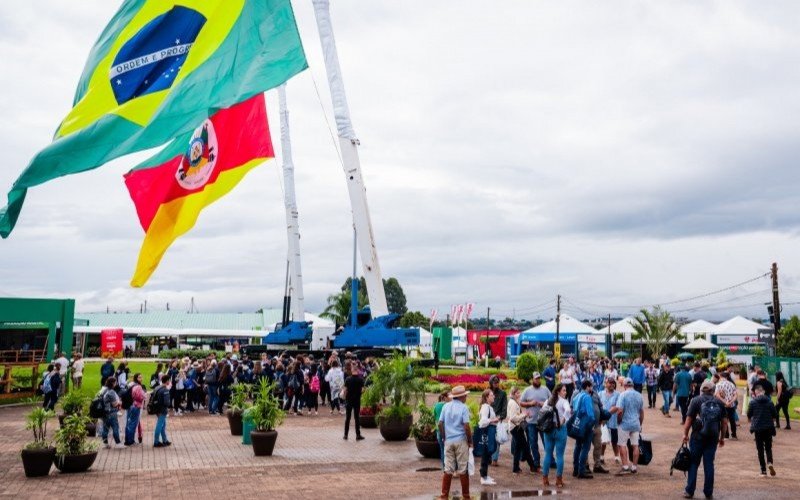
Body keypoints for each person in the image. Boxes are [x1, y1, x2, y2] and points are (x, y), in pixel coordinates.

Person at [682, 380, 727, 499]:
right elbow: (724, 422)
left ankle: (689, 491)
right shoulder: (719, 402)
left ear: (702, 389)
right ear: (713, 390)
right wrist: (722, 437)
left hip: (697, 436)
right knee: (709, 464)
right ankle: (708, 492)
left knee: (693, 463)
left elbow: (689, 419)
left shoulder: (696, 400)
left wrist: (685, 434)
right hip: (712, 437)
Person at [438, 385, 472, 500]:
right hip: (460, 441)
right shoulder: (464, 408)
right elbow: (466, 426)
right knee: (463, 469)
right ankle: (466, 496)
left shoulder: (445, 406)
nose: (466, 397)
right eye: (465, 395)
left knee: (448, 469)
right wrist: (470, 441)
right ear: (462, 396)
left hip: (448, 440)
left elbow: (440, 423)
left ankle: (444, 495)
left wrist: (444, 437)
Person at [519, 371, 551, 471]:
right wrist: (530, 404)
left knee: (547, 442)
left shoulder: (545, 389)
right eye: (536, 378)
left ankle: (550, 460)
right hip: (531, 422)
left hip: (543, 421)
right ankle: (536, 462)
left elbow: (552, 401)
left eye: (539, 378)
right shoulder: (527, 390)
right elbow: (521, 402)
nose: (538, 380)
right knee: (533, 443)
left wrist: (544, 404)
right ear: (532, 379)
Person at [541, 383, 571, 488]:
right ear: (558, 391)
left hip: (548, 429)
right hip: (560, 429)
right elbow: (568, 410)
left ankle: (545, 479)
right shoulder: (564, 402)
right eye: (564, 390)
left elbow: (542, 412)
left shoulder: (548, 401)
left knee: (548, 454)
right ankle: (558, 480)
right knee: (559, 455)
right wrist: (563, 420)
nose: (565, 392)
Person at [614, 378, 644, 475]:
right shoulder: (639, 395)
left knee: (622, 444)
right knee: (635, 445)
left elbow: (619, 411)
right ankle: (634, 467)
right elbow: (641, 412)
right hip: (635, 423)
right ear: (633, 385)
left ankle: (625, 466)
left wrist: (619, 421)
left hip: (625, 423)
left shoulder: (623, 395)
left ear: (624, 385)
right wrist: (640, 424)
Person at [747, 385, 777, 477]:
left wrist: (751, 421)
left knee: (760, 449)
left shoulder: (753, 402)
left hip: (758, 428)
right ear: (763, 392)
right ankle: (770, 462)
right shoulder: (770, 402)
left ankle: (763, 470)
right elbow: (775, 415)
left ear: (756, 393)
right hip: (768, 427)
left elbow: (749, 414)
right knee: (768, 447)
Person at [571, 380, 596, 479]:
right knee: (585, 448)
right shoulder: (587, 397)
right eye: (591, 387)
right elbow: (590, 414)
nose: (592, 389)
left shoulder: (576, 396)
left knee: (577, 446)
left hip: (578, 424)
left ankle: (576, 469)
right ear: (587, 387)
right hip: (586, 425)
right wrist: (592, 425)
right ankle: (581, 471)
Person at [507, 386, 535, 474]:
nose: (519, 394)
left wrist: (524, 414)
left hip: (516, 427)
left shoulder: (514, 402)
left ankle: (516, 468)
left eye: (519, 392)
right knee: (525, 447)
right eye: (517, 393)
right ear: (513, 394)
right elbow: (513, 418)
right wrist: (524, 415)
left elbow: (515, 415)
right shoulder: (513, 403)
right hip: (516, 428)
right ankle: (532, 467)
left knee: (518, 448)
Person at [478, 389, 500, 485]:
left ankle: (485, 475)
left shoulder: (488, 407)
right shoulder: (485, 407)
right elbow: (482, 422)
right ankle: (483, 477)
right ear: (487, 397)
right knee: (485, 453)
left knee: (487, 453)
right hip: (486, 432)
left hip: (488, 432)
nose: (493, 396)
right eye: (491, 395)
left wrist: (493, 420)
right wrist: (493, 420)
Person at [599, 378, 621, 465]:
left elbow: (617, 406)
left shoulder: (618, 394)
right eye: (610, 383)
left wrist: (606, 414)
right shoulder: (600, 393)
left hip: (613, 421)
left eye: (613, 383)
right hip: (602, 422)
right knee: (603, 440)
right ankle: (601, 457)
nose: (612, 385)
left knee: (614, 441)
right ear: (605, 384)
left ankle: (616, 457)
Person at [100, 377, 124, 449]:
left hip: (105, 412)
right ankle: (118, 443)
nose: (116, 383)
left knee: (105, 429)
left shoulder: (104, 390)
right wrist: (120, 402)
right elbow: (114, 404)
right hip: (112, 413)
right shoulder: (111, 392)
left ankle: (105, 443)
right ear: (113, 383)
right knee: (115, 427)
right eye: (115, 382)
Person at [343, 362, 364, 440]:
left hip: (349, 400)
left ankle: (346, 435)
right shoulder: (360, 379)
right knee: (356, 418)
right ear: (357, 370)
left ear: (352, 370)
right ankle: (358, 435)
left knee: (347, 418)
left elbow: (345, 390)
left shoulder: (348, 379)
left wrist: (345, 398)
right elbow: (363, 390)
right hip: (357, 401)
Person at [488, 375, 507, 466]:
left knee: (497, 440)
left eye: (497, 382)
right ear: (491, 383)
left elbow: (504, 408)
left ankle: (494, 459)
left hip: (498, 419)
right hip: (488, 420)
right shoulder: (487, 392)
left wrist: (500, 417)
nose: (496, 384)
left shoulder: (502, 394)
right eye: (494, 382)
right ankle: (489, 458)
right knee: (488, 439)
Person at [714, 372, 738, 439]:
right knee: (732, 420)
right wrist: (730, 402)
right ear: (727, 377)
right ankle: (734, 435)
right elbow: (735, 395)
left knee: (723, 420)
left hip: (722, 405)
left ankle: (726, 435)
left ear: (721, 376)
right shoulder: (732, 384)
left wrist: (725, 402)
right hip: (731, 405)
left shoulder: (718, 384)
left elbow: (717, 395)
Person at [124, 373, 145, 446]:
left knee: (128, 423)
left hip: (130, 405)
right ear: (136, 378)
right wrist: (144, 396)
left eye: (141, 377)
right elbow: (140, 397)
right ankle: (130, 441)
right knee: (133, 424)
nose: (141, 379)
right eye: (139, 377)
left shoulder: (131, 385)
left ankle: (127, 440)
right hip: (136, 406)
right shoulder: (138, 387)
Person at [153, 374, 172, 447]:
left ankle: (165, 440)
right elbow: (167, 402)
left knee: (163, 425)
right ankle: (156, 442)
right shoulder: (165, 390)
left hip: (157, 409)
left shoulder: (157, 387)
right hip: (162, 410)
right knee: (160, 425)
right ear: (167, 381)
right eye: (169, 380)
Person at [434, 391, 450, 469]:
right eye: (449, 395)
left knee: (442, 449)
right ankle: (451, 468)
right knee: (449, 450)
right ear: (445, 397)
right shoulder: (447, 406)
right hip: (447, 430)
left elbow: (435, 416)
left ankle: (444, 468)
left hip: (438, 430)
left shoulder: (436, 405)